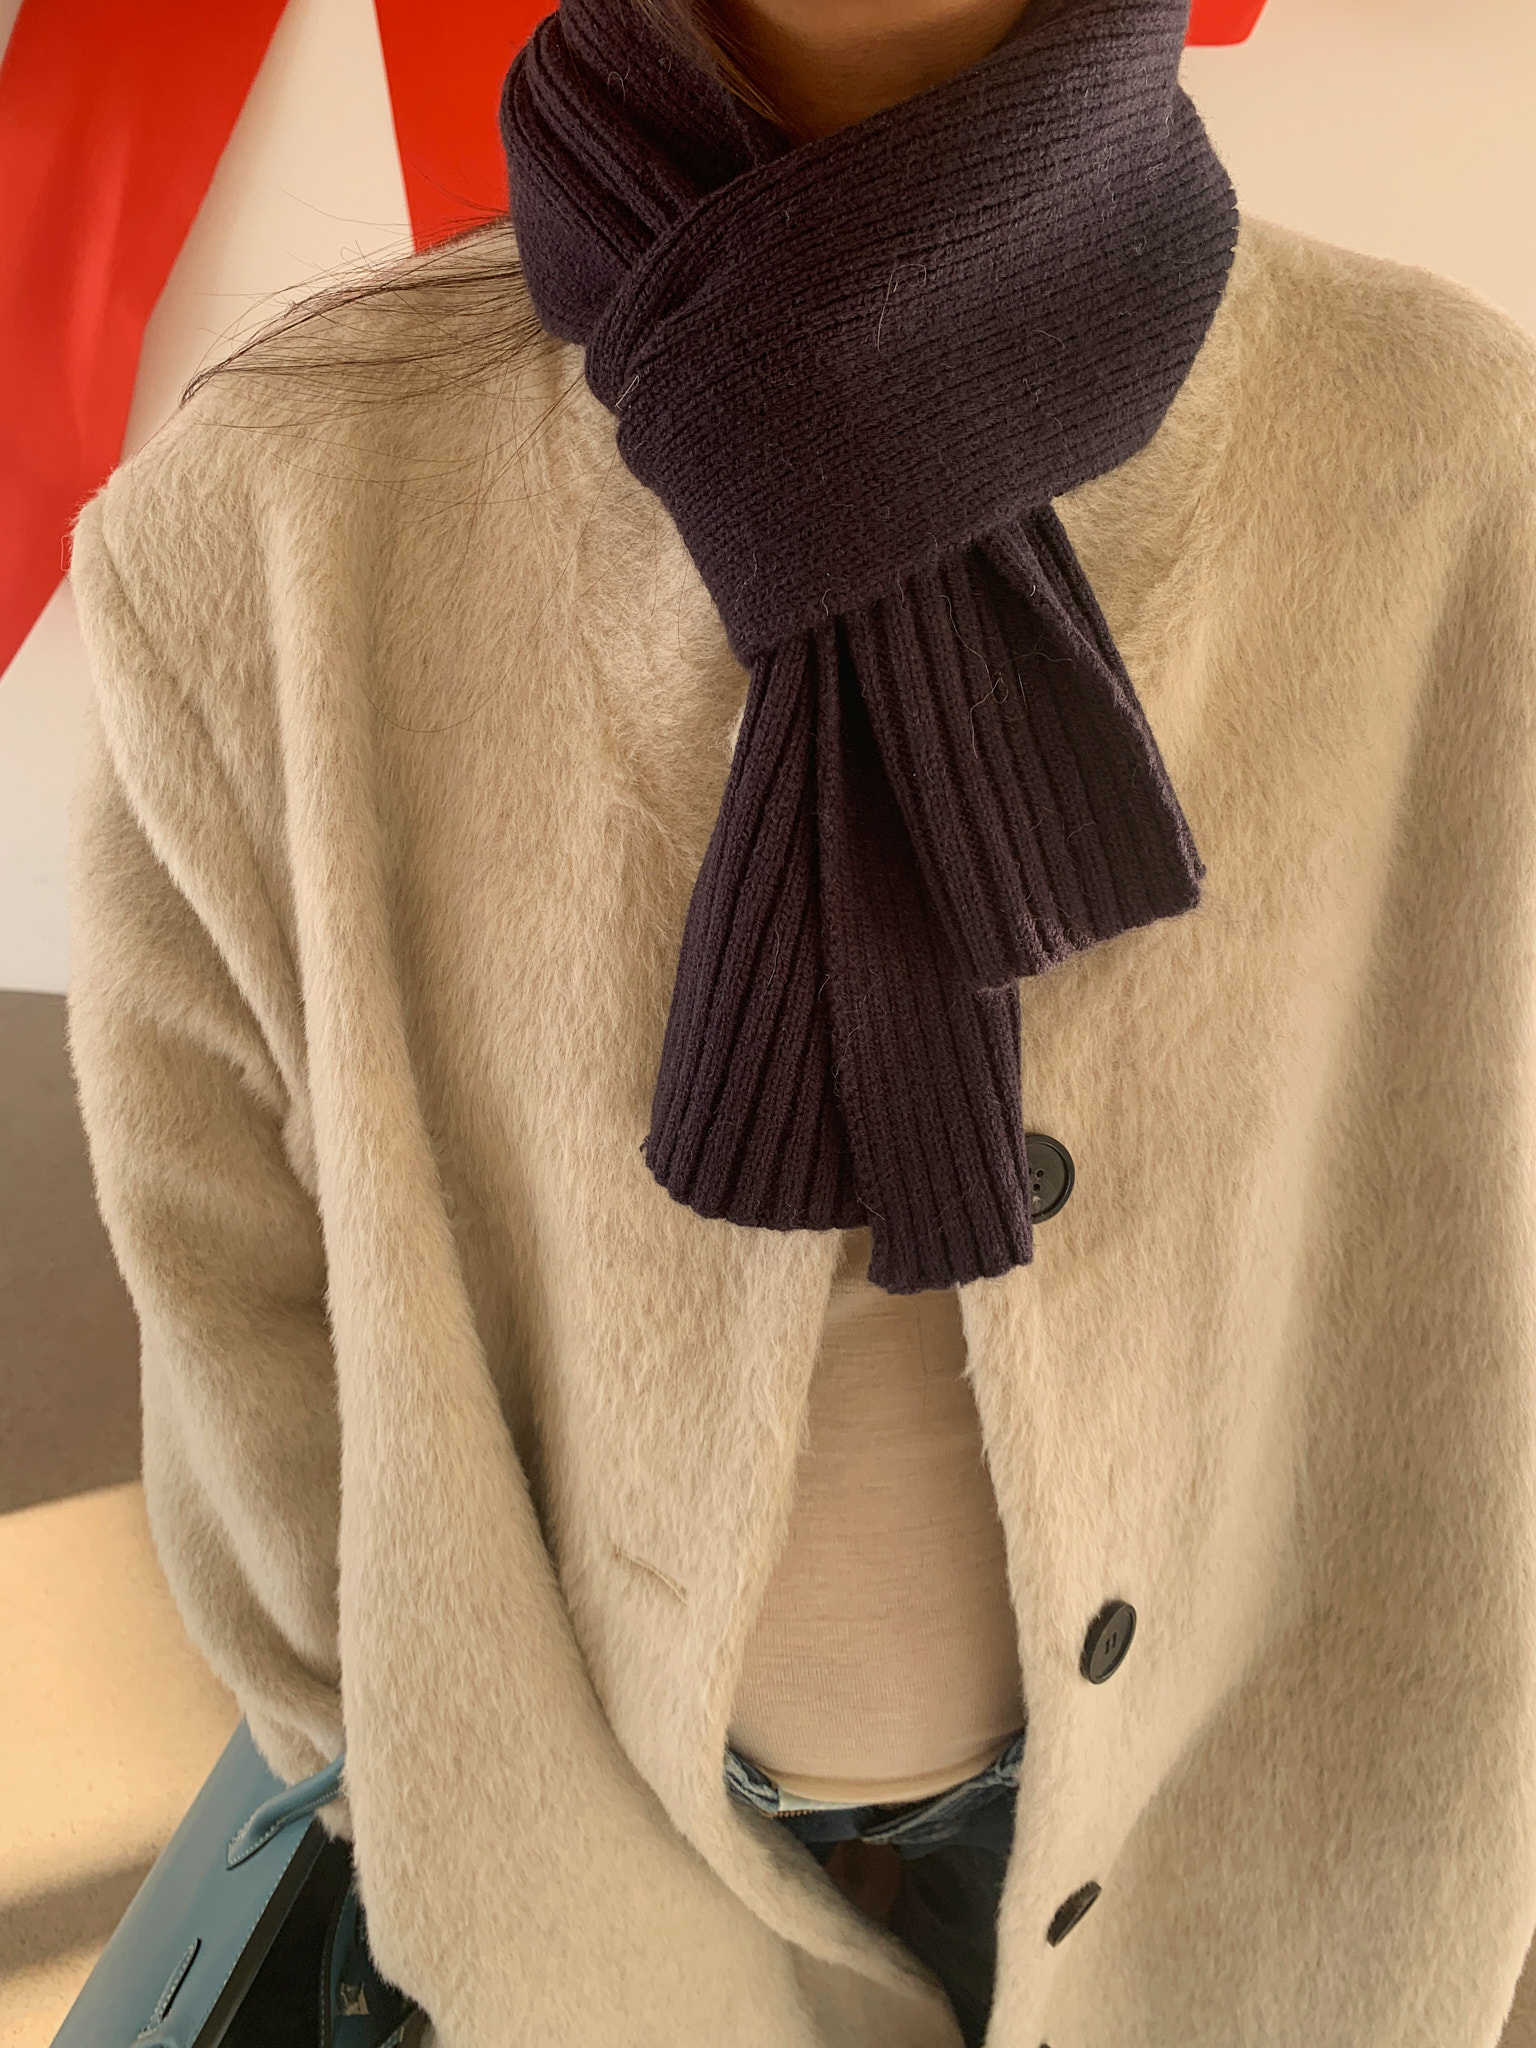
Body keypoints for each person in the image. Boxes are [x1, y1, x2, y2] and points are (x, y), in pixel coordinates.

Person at [62, 0, 1536, 2043]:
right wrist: (436, 1767)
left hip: (1263, 1846)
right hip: (597, 1885)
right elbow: (228, 1292)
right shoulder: (271, 514)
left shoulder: (1458, 468)